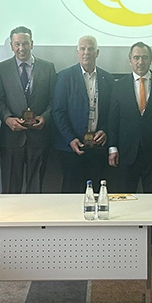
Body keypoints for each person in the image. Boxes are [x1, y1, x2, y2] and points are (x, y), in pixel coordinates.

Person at [108, 42, 152, 260]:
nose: (140, 61)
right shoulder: (119, 85)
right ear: (130, 60)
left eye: (144, 57)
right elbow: (113, 119)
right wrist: (112, 148)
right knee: (124, 199)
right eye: (136, 57)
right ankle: (125, 242)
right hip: (126, 153)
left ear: (150, 59)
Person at [0, 26, 57, 193]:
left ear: (32, 44)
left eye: (25, 43)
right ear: (11, 46)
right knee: (10, 189)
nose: (21, 48)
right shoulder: (1, 69)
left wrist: (45, 117)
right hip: (11, 138)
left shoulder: (48, 68)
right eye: (17, 44)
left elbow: (54, 100)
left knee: (36, 189)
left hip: (39, 137)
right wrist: (7, 119)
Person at [53, 36, 114, 193]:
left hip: (97, 147)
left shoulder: (108, 78)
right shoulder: (65, 77)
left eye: (91, 49)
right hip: (71, 147)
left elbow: (112, 112)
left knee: (96, 192)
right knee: (70, 193)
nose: (86, 52)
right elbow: (58, 111)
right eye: (83, 49)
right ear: (77, 52)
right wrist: (70, 139)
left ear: (97, 52)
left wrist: (105, 130)